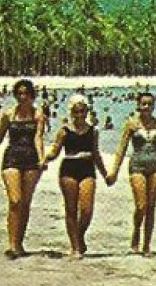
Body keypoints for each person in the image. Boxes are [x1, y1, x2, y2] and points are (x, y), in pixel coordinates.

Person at [0, 79, 48, 258]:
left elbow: (38, 138)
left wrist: (42, 159)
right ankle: (11, 244)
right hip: (12, 158)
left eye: (26, 94)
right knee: (15, 201)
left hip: (31, 159)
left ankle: (19, 243)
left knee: (25, 203)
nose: (23, 97)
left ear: (32, 95)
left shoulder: (39, 115)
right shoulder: (8, 114)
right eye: (20, 94)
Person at [110, 93, 156, 256]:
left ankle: (146, 244)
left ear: (154, 106)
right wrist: (114, 171)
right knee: (141, 206)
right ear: (138, 106)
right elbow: (121, 149)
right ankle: (136, 231)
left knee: (151, 207)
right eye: (143, 104)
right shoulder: (132, 124)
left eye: (150, 104)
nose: (146, 107)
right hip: (137, 166)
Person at [44, 96, 108, 258]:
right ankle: (75, 247)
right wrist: (44, 159)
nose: (80, 115)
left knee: (87, 210)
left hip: (87, 168)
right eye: (76, 111)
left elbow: (96, 154)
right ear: (71, 112)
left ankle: (79, 236)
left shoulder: (93, 131)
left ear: (87, 111)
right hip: (69, 168)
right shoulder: (64, 131)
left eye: (83, 111)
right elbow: (55, 151)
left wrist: (106, 174)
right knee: (71, 209)